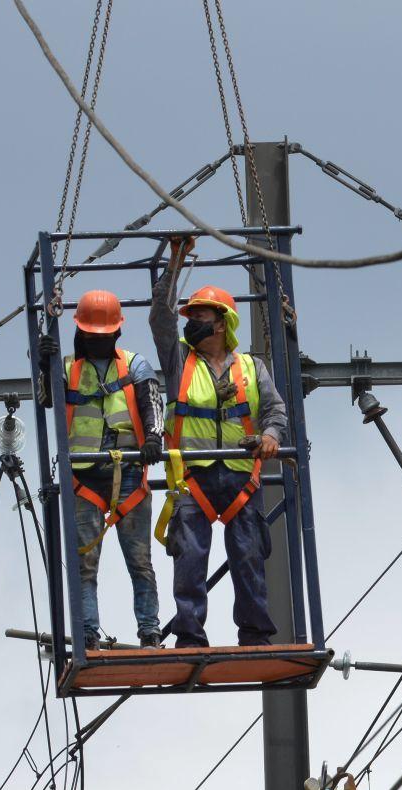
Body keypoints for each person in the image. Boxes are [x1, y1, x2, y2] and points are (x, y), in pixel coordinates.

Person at [149, 259, 290, 648]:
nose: (191, 321)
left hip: (242, 476)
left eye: (200, 314)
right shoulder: (180, 361)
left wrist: (271, 435)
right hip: (193, 478)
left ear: (221, 321)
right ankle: (190, 635)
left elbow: (275, 411)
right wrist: (175, 263)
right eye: (190, 314)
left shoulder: (251, 368)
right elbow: (161, 319)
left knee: (248, 557)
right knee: (190, 560)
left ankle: (256, 634)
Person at [63, 289, 165, 649]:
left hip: (129, 477)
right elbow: (47, 397)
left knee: (140, 561)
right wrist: (42, 363)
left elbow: (153, 402)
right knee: (84, 565)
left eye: (103, 335)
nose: (98, 340)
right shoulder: (68, 369)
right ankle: (88, 632)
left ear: (117, 333)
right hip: (85, 478)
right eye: (92, 335)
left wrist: (153, 438)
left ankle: (150, 630)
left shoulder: (135, 365)